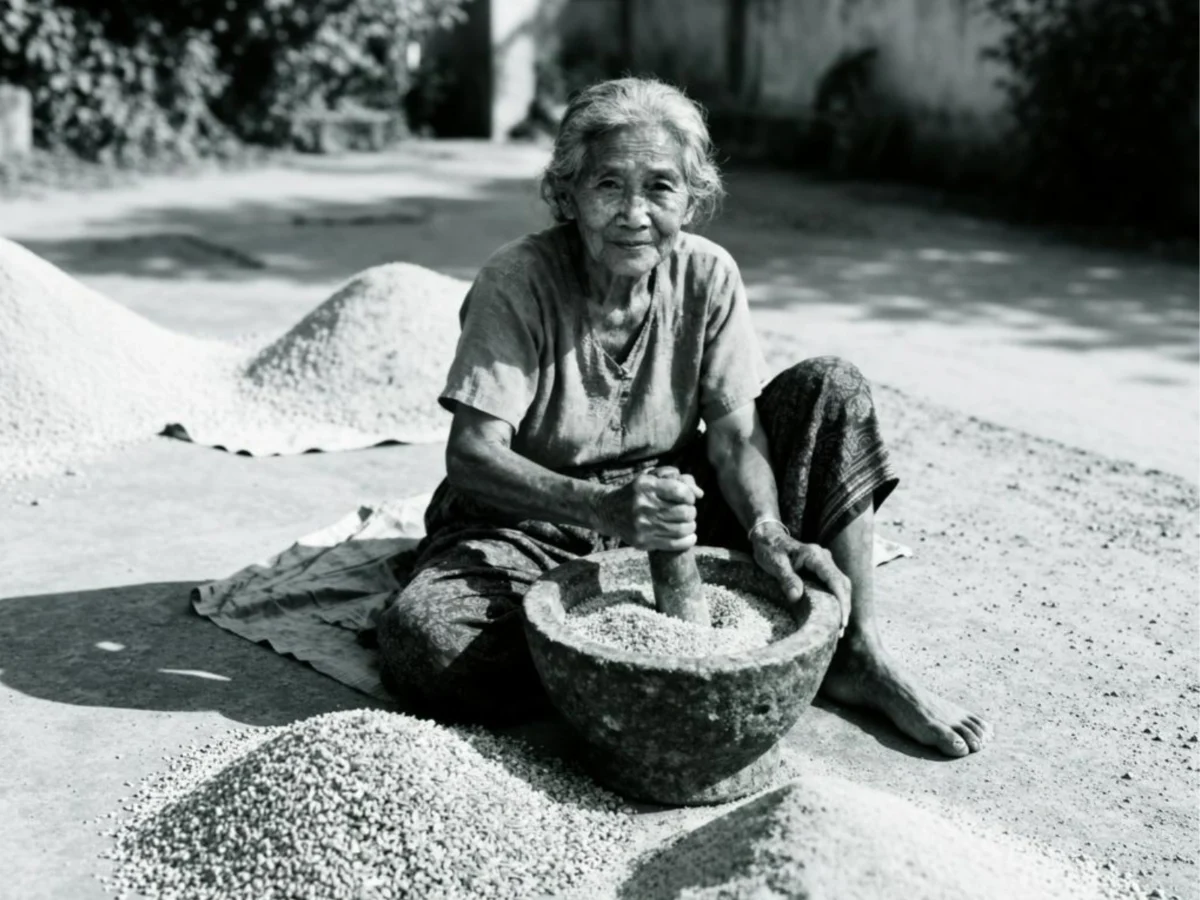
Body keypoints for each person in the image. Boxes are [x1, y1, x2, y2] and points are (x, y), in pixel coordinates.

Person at [378, 76, 992, 758]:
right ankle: (618, 669)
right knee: (428, 641)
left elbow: (733, 438)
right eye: (609, 186)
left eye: (661, 188)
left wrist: (767, 530)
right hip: (529, 519)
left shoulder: (708, 275)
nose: (634, 213)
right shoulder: (516, 282)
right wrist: (605, 510)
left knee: (832, 389)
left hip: (676, 506)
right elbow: (472, 456)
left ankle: (856, 653)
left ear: (692, 200)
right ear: (569, 194)